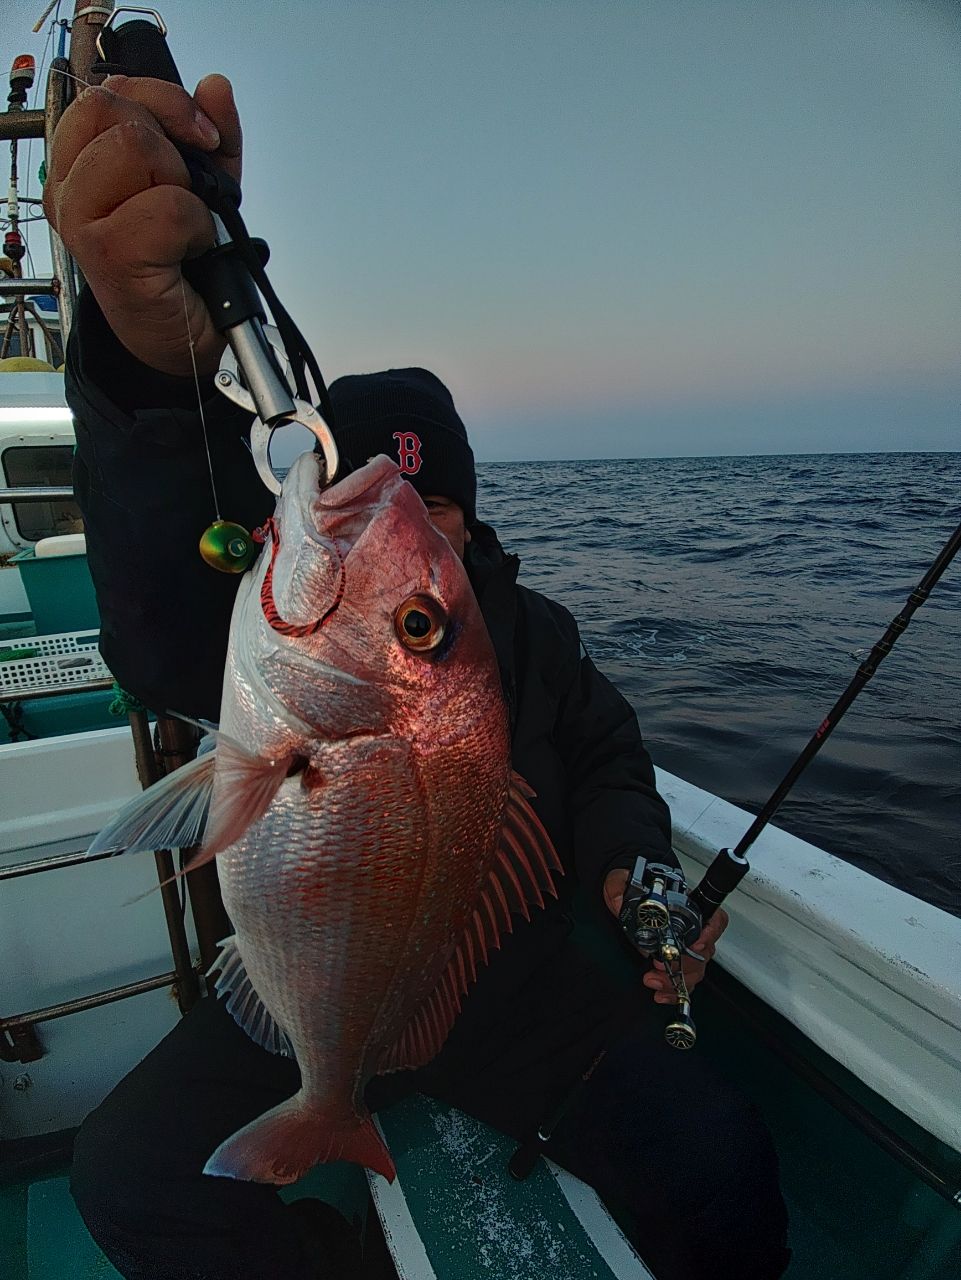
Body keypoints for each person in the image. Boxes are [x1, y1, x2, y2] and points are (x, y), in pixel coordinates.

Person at [45, 74, 790, 1280]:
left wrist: (621, 858)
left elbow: (605, 753)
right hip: (312, 973)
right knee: (123, 1177)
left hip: (508, 976)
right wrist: (140, 375)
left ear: (465, 516)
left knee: (716, 1152)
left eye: (430, 500)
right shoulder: (262, 633)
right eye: (370, 488)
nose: (399, 515)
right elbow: (154, 625)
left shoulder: (538, 632)